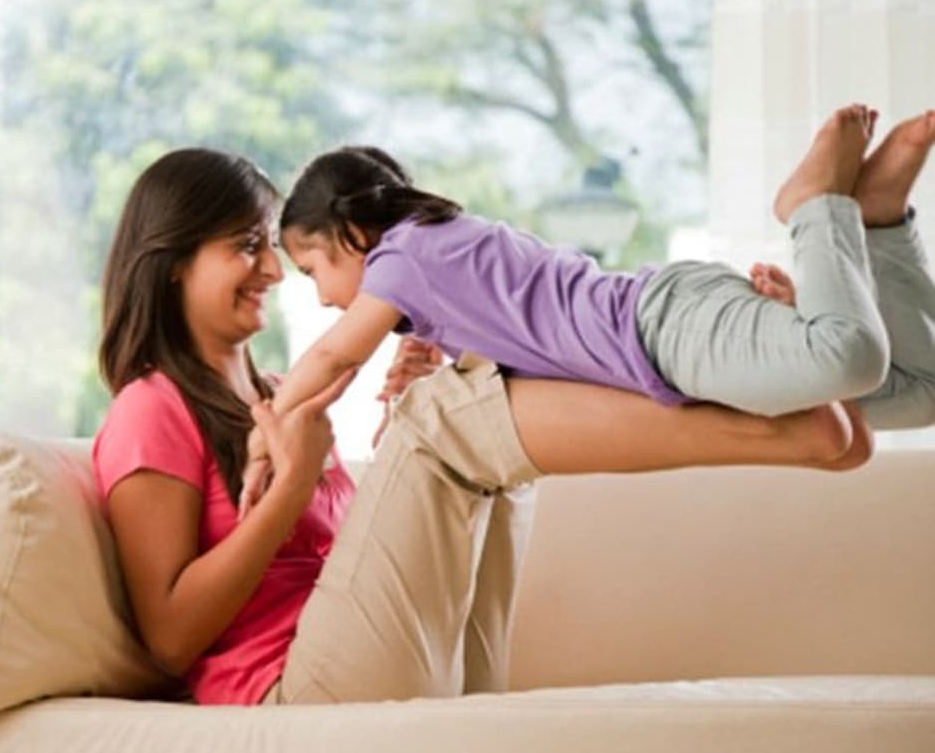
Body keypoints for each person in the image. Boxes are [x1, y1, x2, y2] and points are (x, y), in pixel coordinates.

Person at [92, 147, 867, 708]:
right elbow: (169, 638)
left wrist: (409, 423)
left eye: (273, 248)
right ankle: (773, 433)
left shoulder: (275, 397)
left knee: (473, 388)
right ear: (172, 261)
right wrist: (294, 486)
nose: (270, 271)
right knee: (446, 415)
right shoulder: (150, 408)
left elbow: (341, 560)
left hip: (391, 657)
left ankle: (765, 400)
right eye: (247, 247)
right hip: (294, 690)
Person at [249, 107, 935, 497]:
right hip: (674, 340)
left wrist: (268, 422)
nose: (324, 298)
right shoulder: (433, 259)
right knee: (910, 400)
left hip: (662, 326)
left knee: (847, 356)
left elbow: (334, 357)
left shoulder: (403, 257)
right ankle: (879, 224)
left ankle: (816, 206)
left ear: (355, 235)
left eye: (313, 270)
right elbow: (477, 332)